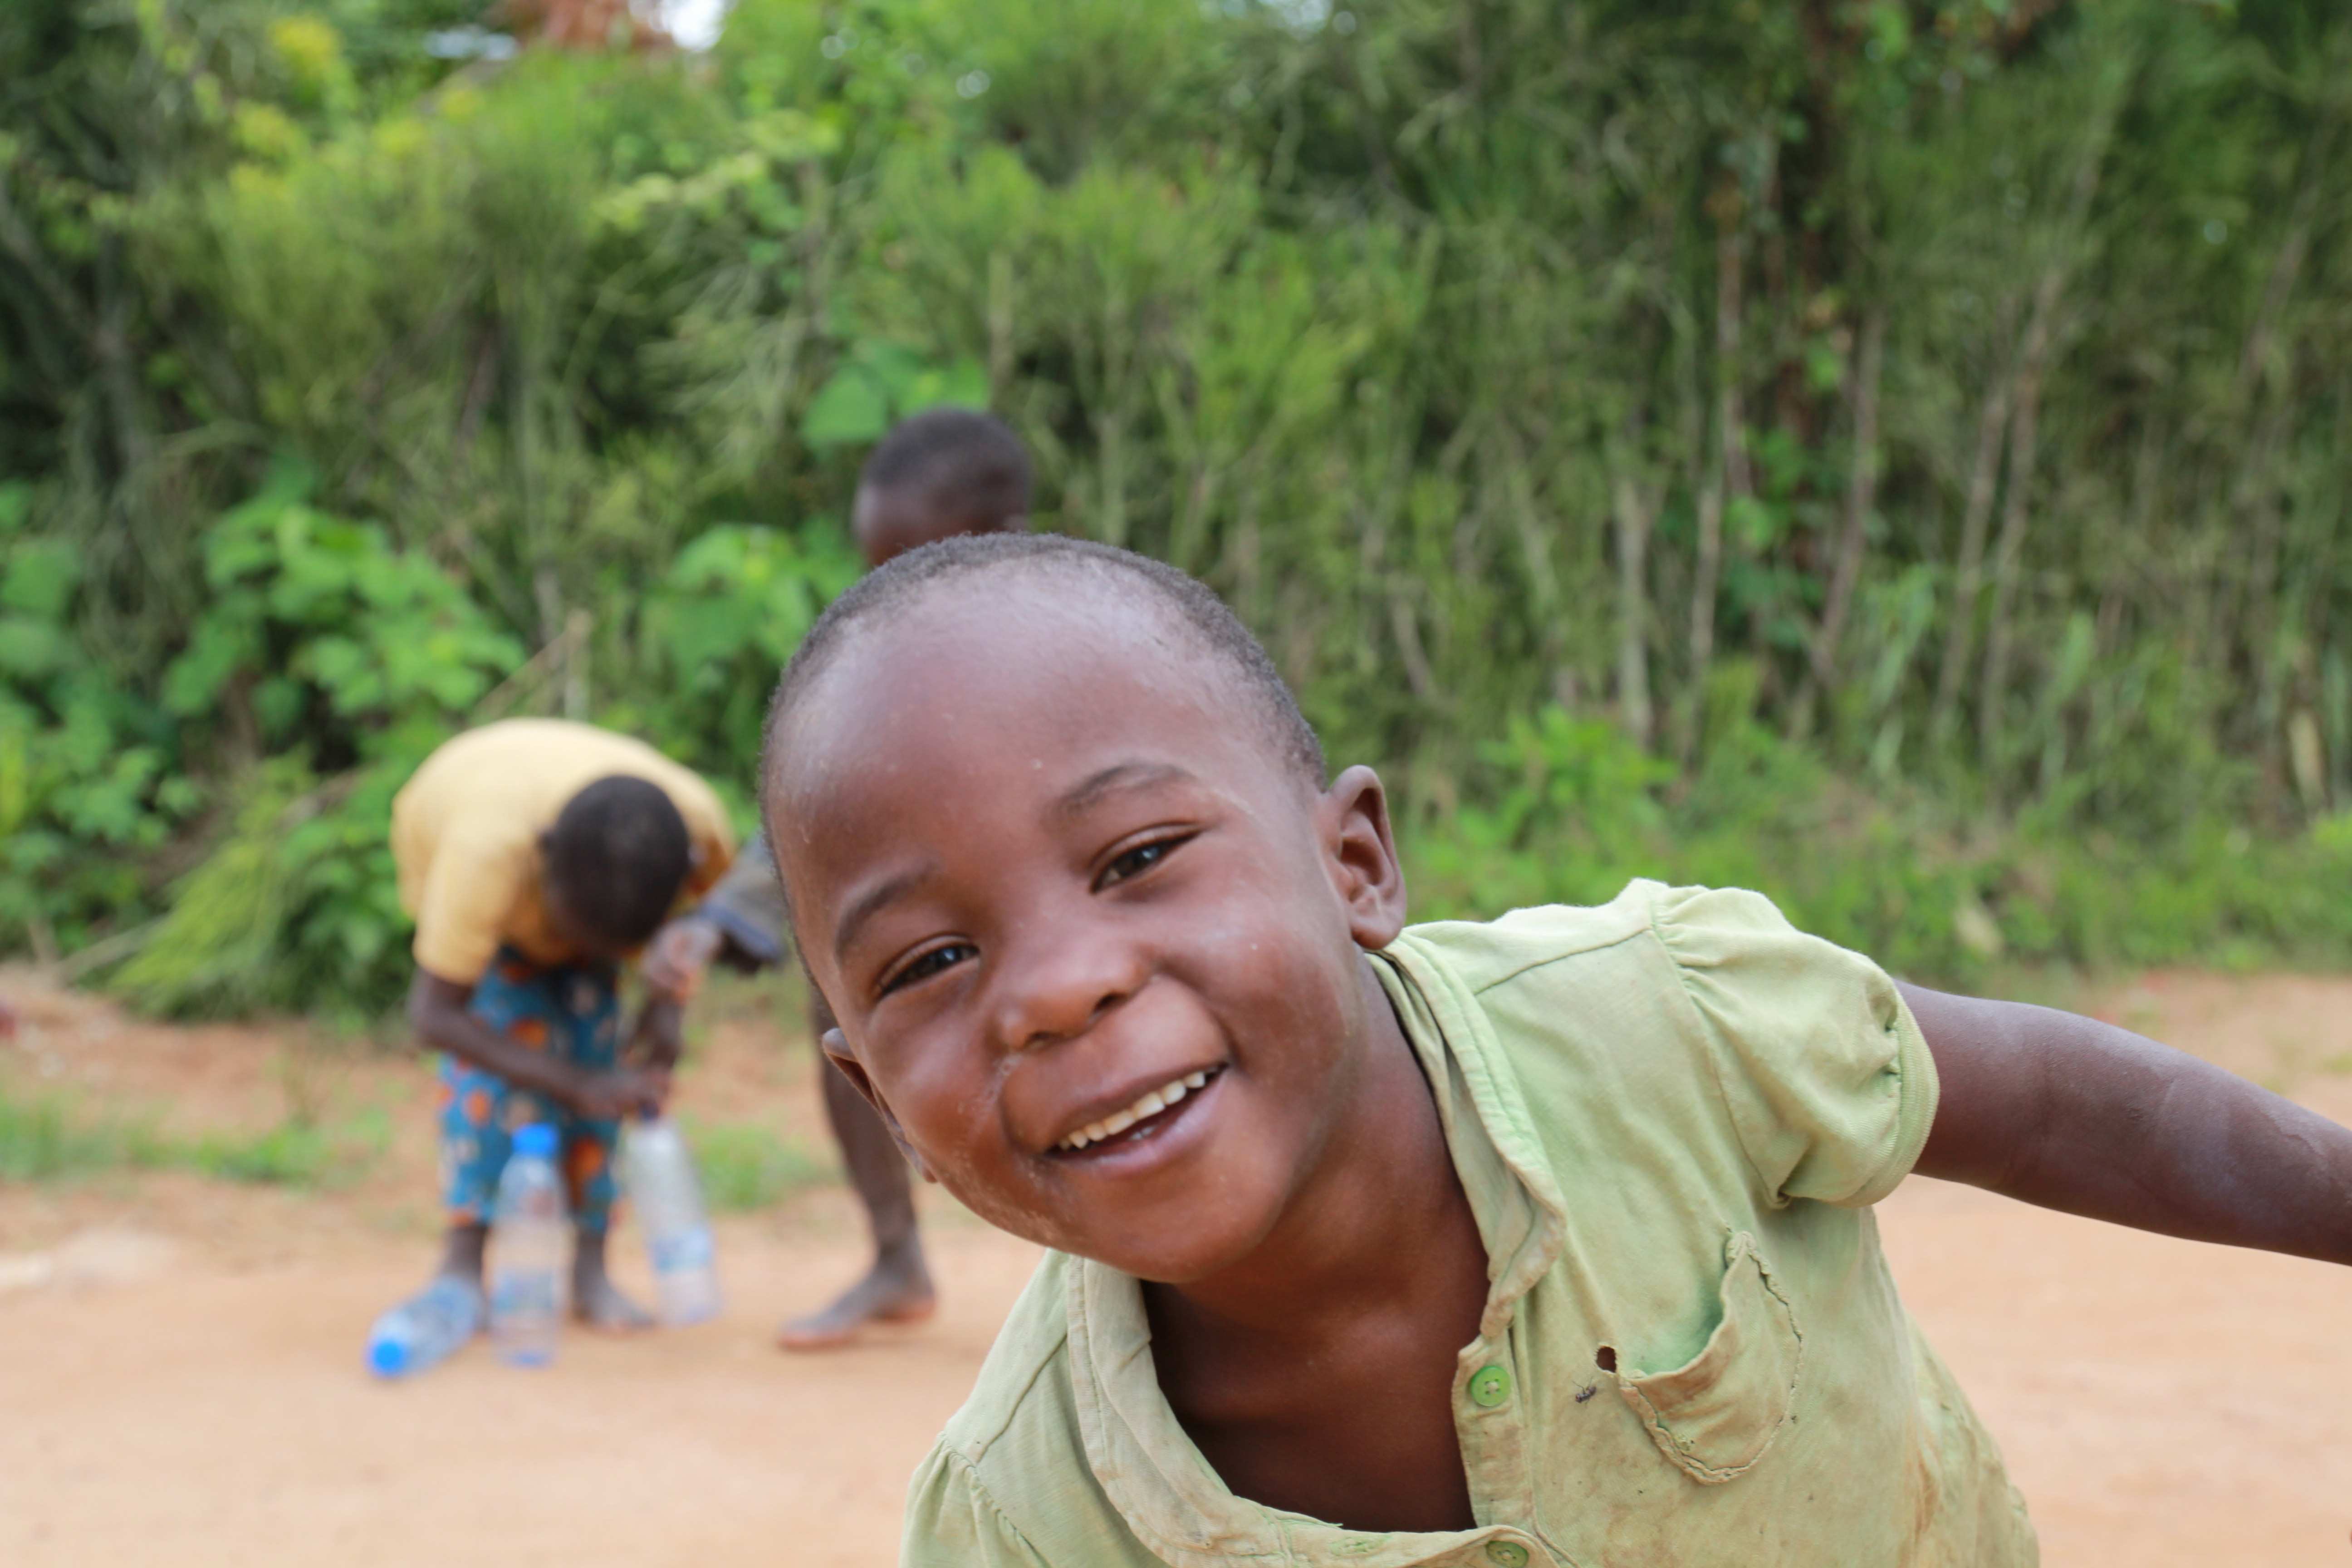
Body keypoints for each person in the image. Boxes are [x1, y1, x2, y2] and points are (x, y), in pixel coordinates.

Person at [755, 532, 2352, 1567]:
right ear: (876, 1096)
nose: (1051, 992)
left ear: (1356, 865)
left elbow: (2045, 1101)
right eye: (933, 961)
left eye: (1136, 857)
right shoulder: (1019, 1521)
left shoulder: (1662, 1019)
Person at [641, 406, 1032, 1350]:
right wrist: (721, 919)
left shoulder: (1084, 631)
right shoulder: (887, 659)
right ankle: (896, 1255)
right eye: (877, 564)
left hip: (1071, 925)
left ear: (1001, 540)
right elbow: (816, 807)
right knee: (839, 1001)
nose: (892, 587)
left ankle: (1155, 1274)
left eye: (917, 557)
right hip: (950, 912)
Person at [391, 717, 735, 1330]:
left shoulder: (699, 830)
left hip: (595, 888)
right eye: (573, 934)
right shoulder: (485, 853)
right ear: (544, 856)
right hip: (484, 886)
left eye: (608, 947)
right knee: (492, 1077)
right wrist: (573, 1083)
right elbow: (435, 1016)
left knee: (606, 1076)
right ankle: (462, 1266)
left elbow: (703, 925)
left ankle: (591, 1272)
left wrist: (666, 1006)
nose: (573, 952)